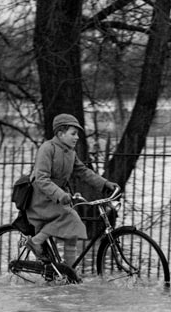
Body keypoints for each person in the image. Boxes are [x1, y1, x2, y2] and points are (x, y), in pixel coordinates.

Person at [25, 113, 117, 265]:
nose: (77, 137)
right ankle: (36, 241)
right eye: (73, 134)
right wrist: (60, 194)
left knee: (72, 234)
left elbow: (83, 171)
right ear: (60, 133)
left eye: (77, 134)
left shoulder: (70, 153)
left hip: (56, 199)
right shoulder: (47, 148)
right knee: (72, 217)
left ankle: (69, 271)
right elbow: (41, 178)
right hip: (40, 198)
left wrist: (104, 183)